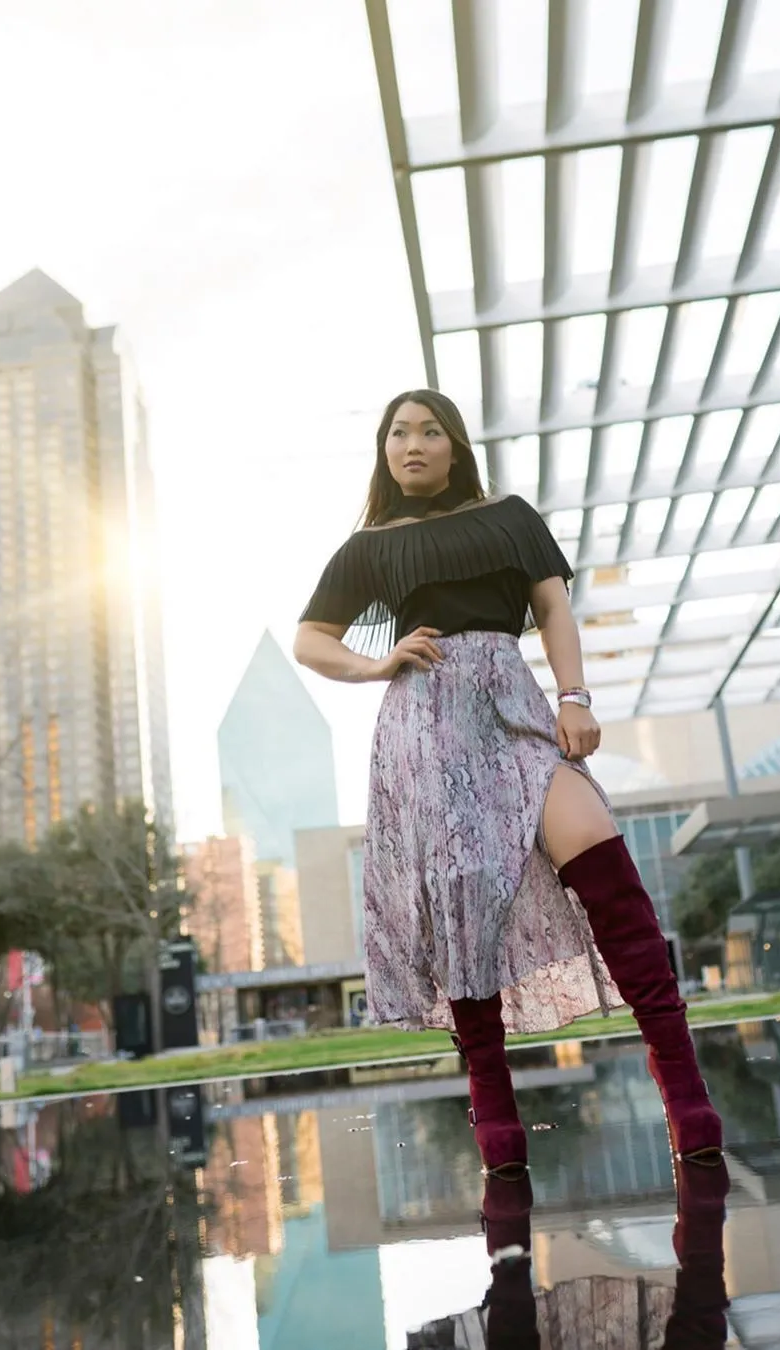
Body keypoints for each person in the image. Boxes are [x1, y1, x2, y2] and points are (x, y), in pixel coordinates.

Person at [294, 389, 723, 1180]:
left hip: (517, 712)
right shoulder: (371, 546)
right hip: (426, 729)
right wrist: (375, 662)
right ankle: (492, 1107)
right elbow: (310, 640)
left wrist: (574, 697)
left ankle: (685, 1091)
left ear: (456, 446)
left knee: (605, 867)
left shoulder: (510, 516)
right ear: (384, 451)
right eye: (398, 432)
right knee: (461, 913)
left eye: (430, 431)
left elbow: (553, 610)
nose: (412, 444)